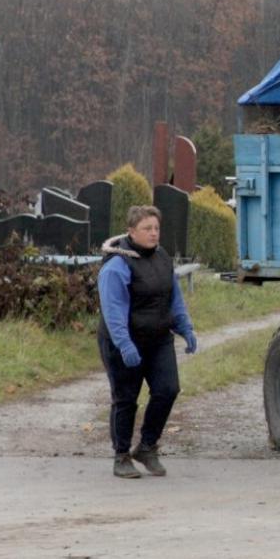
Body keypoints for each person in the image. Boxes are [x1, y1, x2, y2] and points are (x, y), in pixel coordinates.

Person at [97, 205, 198, 479]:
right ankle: (121, 456)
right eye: (147, 229)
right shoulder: (117, 266)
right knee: (126, 399)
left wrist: (185, 328)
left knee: (168, 389)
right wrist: (125, 345)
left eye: (156, 228)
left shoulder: (162, 258)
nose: (154, 234)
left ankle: (147, 447)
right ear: (131, 232)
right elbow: (113, 311)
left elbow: (173, 297)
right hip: (123, 342)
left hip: (158, 339)